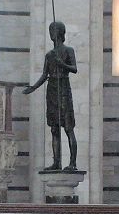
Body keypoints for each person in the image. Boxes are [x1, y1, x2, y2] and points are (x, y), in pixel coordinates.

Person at [23, 21, 78, 171]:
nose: (51, 33)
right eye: (50, 30)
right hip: (52, 89)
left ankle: (72, 163)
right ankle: (56, 162)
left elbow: (74, 68)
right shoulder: (49, 55)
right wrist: (33, 87)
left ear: (60, 32)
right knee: (54, 128)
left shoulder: (68, 50)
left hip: (64, 88)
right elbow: (44, 75)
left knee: (68, 128)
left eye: (53, 30)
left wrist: (62, 64)